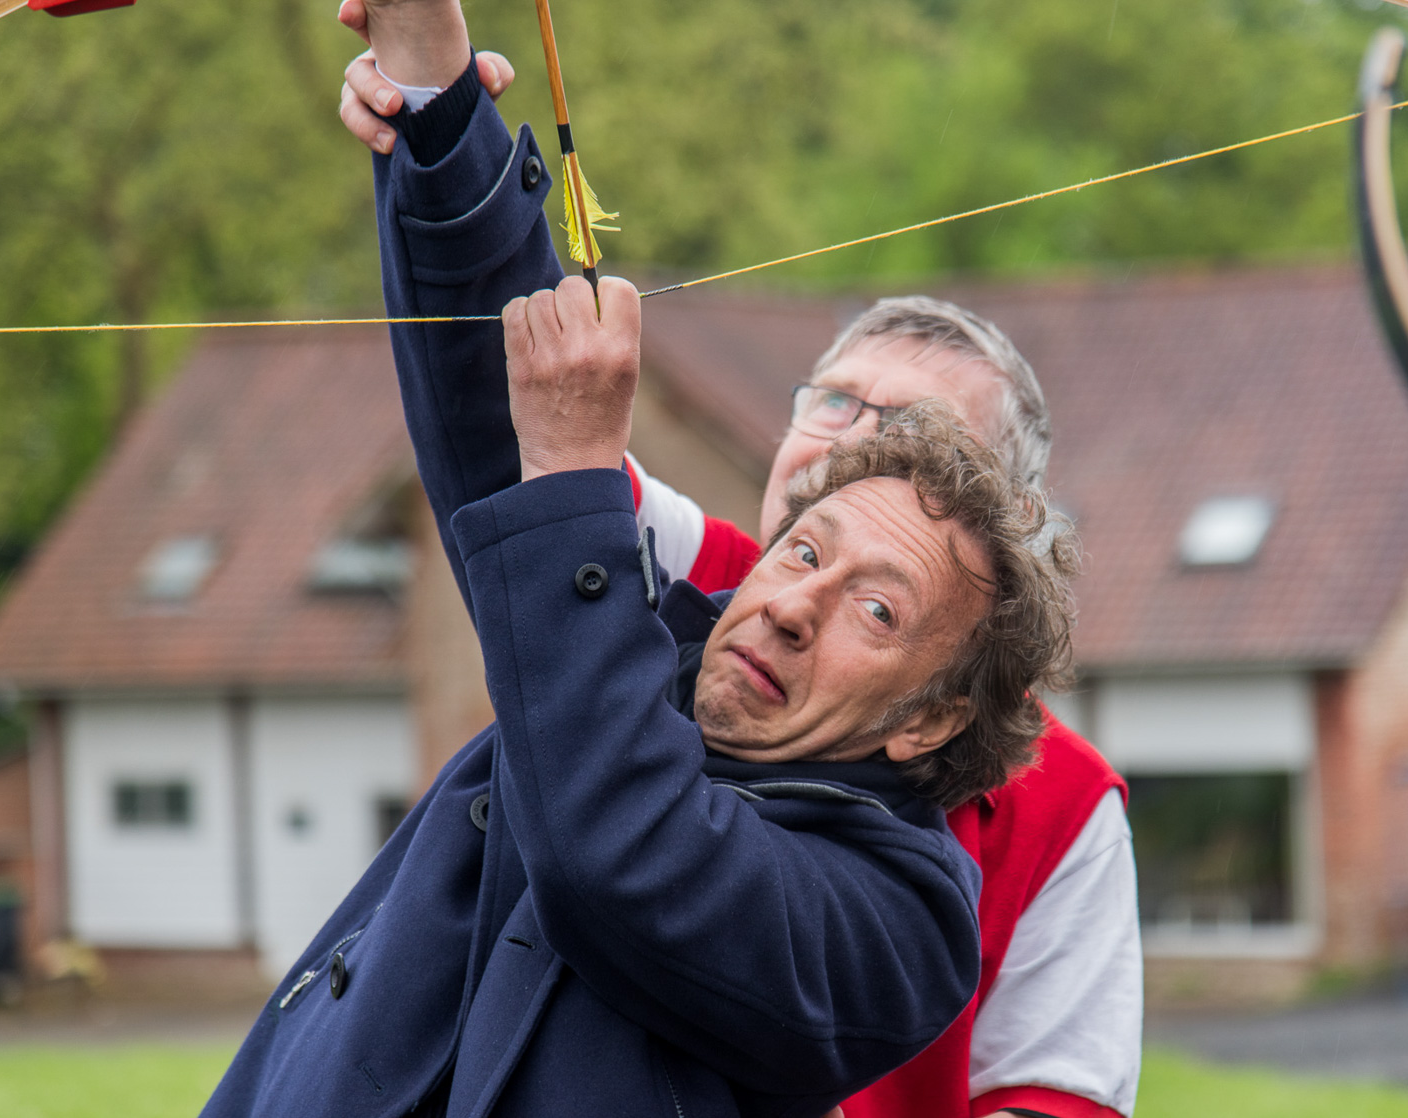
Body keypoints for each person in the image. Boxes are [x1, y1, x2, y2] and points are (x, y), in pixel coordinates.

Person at [337, 3, 1141, 1115]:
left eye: (912, 433)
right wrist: (434, 98)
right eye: (833, 399)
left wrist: (572, 466)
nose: (852, 439)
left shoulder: (994, 844)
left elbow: (1060, 1092)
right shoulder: (699, 598)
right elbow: (512, 415)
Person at [200, 252, 1080, 1115]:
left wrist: (575, 472)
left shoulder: (906, 930)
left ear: (931, 719)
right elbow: (501, 409)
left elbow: (621, 851)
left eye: (877, 610)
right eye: (804, 552)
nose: (793, 607)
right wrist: (440, 138)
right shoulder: (638, 647)